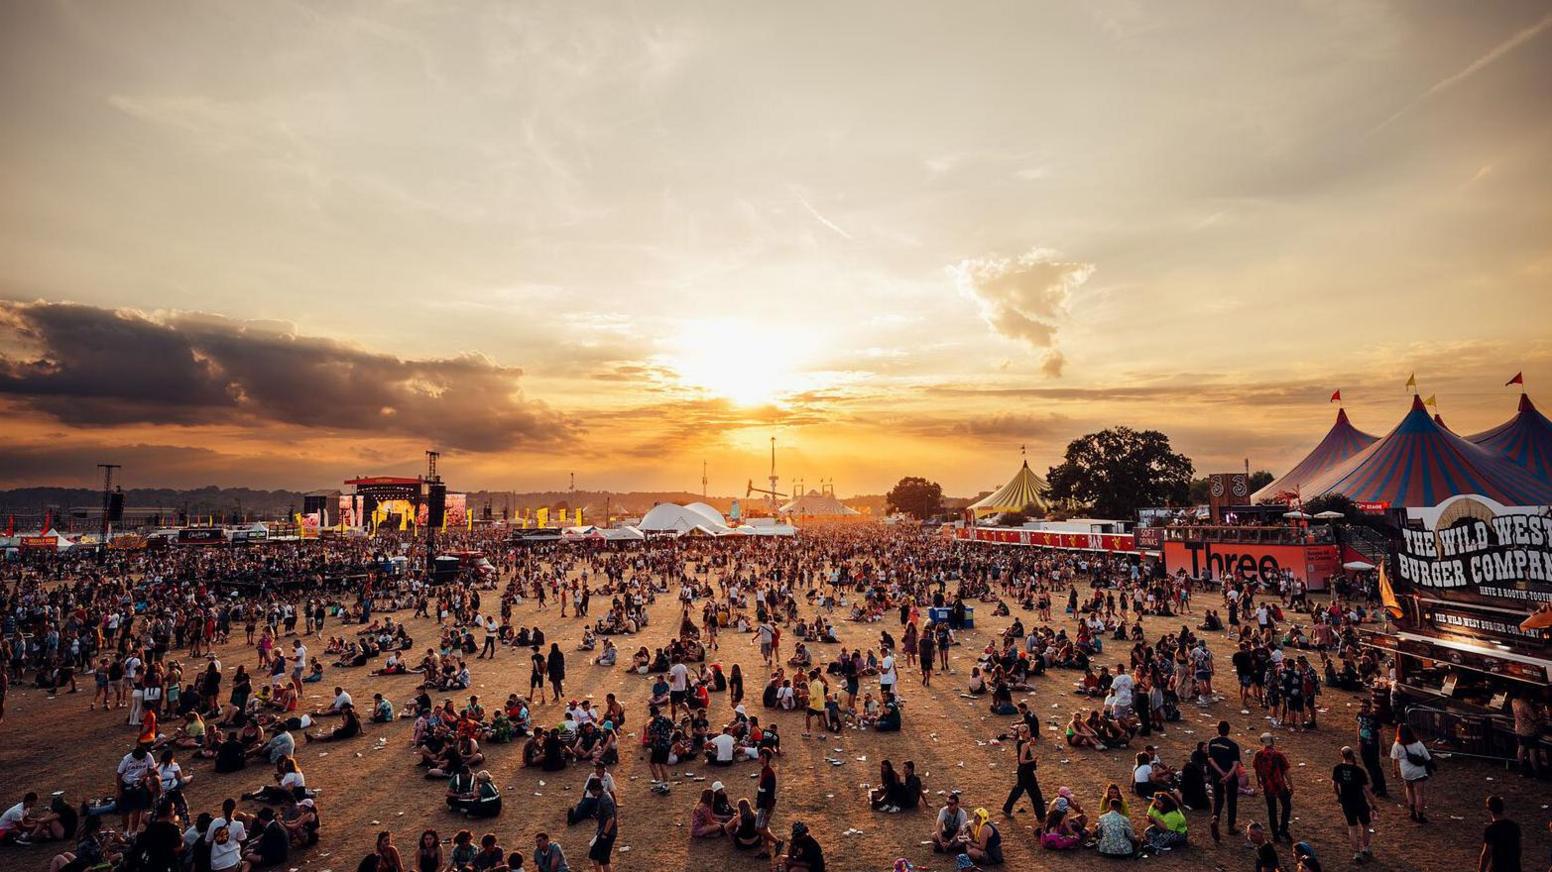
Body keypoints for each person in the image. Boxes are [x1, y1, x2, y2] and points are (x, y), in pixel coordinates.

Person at [1330, 746, 1376, 864]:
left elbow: (1335, 785)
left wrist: (1339, 796)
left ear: (1342, 755)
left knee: (1352, 828)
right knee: (1365, 825)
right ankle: (1365, 848)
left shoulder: (1337, 768)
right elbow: (1367, 790)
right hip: (1360, 801)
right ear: (1352, 755)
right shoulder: (1359, 771)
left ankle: (1356, 853)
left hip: (1347, 801)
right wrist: (1374, 804)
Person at [1253, 733, 1293, 844]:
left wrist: (1258, 781)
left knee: (1272, 811)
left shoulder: (1258, 755)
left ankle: (1275, 835)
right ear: (1272, 741)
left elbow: (1256, 769)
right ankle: (1283, 829)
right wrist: (1291, 785)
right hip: (1279, 785)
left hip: (1267, 786)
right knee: (1286, 806)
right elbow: (1286, 772)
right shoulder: (1278, 755)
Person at [1206, 719, 1242, 843]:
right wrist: (1227, 776)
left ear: (1218, 729)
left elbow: (1211, 760)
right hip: (1230, 776)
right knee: (1231, 800)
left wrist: (1221, 773)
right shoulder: (1233, 745)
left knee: (1218, 799)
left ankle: (1215, 818)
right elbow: (1235, 764)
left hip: (1216, 775)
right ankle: (1231, 826)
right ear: (1228, 730)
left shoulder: (1212, 742)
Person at [1389, 724, 1432, 823]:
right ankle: (1420, 815)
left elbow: (1394, 759)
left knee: (1409, 789)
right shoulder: (1417, 743)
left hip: (1406, 772)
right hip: (1419, 772)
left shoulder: (1397, 745)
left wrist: (1395, 771)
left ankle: (1412, 812)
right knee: (1419, 794)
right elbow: (1427, 757)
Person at [1002, 723, 1046, 818]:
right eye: (1028, 731)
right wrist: (1032, 760)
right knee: (1035, 794)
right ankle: (1041, 815)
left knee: (1018, 790)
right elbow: (1021, 760)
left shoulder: (1021, 741)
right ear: (1024, 733)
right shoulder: (1024, 745)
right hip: (1026, 772)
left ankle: (1007, 808)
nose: (1030, 732)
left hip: (1022, 772)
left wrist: (1030, 743)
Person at [1479, 794, 1521, 872]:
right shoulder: (1514, 826)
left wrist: (1481, 870)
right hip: (1514, 867)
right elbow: (1518, 849)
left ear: (1490, 809)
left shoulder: (1491, 830)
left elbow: (1486, 853)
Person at [585, 777, 616, 872]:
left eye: (591, 790)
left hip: (607, 833)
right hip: (604, 832)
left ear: (595, 789)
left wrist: (604, 834)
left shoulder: (605, 799)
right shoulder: (602, 797)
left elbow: (611, 819)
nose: (591, 793)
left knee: (603, 859)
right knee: (595, 855)